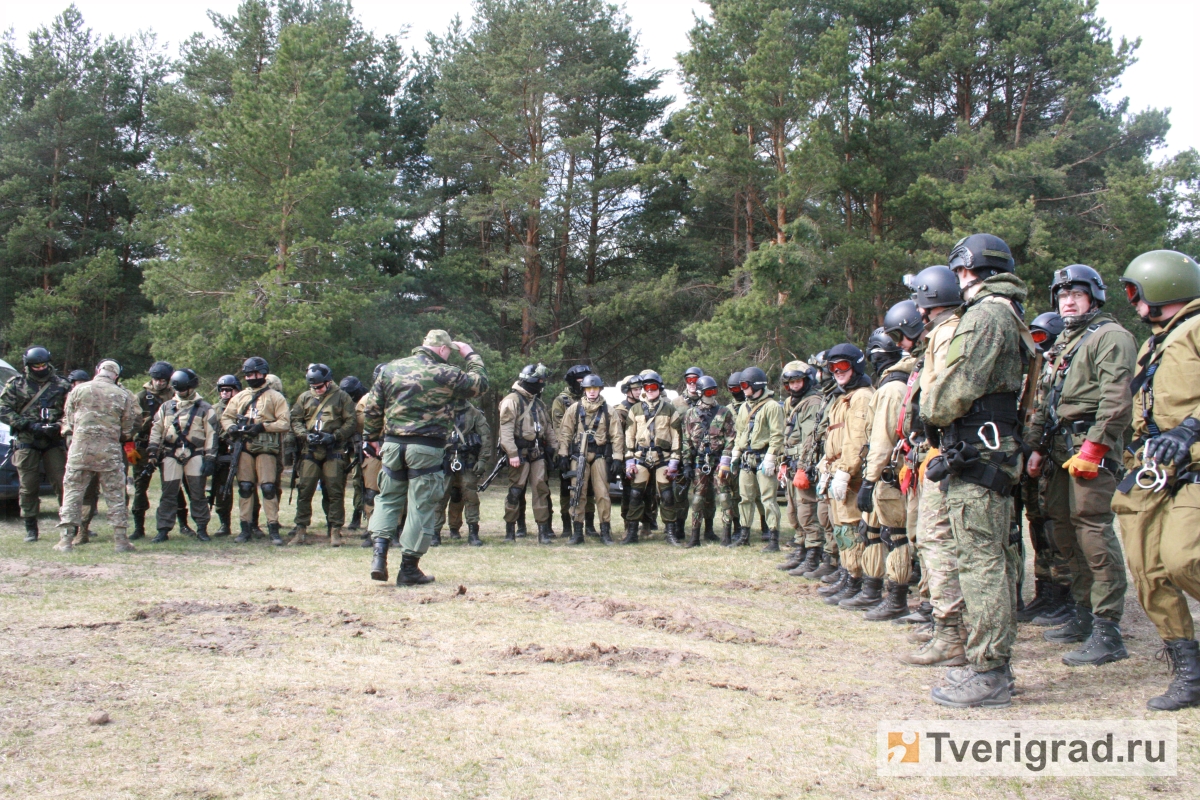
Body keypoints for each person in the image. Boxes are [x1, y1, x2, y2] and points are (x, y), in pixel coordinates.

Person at [921, 233, 1029, 709]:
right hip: (992, 450)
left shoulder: (985, 315)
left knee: (981, 563)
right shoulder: (1009, 313)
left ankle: (989, 672)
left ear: (970, 271)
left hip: (979, 453)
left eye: (960, 272)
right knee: (992, 560)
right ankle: (991, 664)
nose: (958, 282)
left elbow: (951, 392)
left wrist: (929, 409)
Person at [1025, 266, 1135, 666]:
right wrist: (1036, 446)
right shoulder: (1065, 344)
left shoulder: (1111, 337)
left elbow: (1117, 399)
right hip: (1058, 446)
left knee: (1093, 530)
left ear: (1094, 296)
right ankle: (1083, 614)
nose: (1068, 301)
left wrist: (1096, 446)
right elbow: (1045, 400)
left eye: (1076, 293)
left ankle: (1108, 630)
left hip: (1090, 445)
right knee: (1062, 528)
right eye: (1062, 295)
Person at [1114, 250, 1200, 710]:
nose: (1131, 300)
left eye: (1134, 291)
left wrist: (1190, 429)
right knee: (1147, 570)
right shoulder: (1154, 344)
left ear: (1161, 288)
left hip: (1194, 466)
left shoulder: (1198, 329)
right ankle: (1190, 672)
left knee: (1184, 559)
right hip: (1151, 469)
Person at [363, 330, 487, 585]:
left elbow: (373, 406)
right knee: (421, 506)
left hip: (393, 445)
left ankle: (379, 556)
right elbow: (480, 384)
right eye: (449, 351)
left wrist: (371, 437)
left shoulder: (391, 369)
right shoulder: (446, 373)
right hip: (426, 447)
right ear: (442, 349)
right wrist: (471, 356)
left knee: (387, 499)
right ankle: (408, 568)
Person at [898, 265, 968, 666]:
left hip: (948, 449)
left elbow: (941, 393)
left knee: (937, 541)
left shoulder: (946, 333)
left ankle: (951, 635)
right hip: (941, 449)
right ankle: (948, 629)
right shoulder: (946, 332)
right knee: (933, 541)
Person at [857, 322, 919, 620]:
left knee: (896, 535)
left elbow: (882, 439)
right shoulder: (899, 382)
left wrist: (868, 481)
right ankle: (881, 590)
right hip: (894, 471)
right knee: (887, 533)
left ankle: (897, 597)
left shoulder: (891, 388)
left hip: (891, 473)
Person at [1019, 312, 1074, 624]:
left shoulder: (1060, 368)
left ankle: (1065, 594)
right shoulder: (1038, 368)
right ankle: (1046, 591)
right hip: (1033, 451)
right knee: (1037, 523)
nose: (1037, 344)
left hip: (1053, 454)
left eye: (1041, 337)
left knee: (1056, 526)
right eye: (1033, 338)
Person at [54, 360, 138, 552]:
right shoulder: (123, 395)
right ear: (116, 376)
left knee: (73, 493)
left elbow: (68, 421)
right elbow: (127, 428)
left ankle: (66, 541)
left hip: (80, 450)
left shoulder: (77, 391)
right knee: (116, 495)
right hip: (109, 452)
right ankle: (120, 541)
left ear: (98, 371)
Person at [815, 345, 875, 606]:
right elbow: (835, 437)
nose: (837, 372)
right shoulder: (844, 397)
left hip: (850, 475)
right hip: (836, 468)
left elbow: (857, 439)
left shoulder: (861, 397)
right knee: (840, 527)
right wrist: (824, 465)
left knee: (850, 527)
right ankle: (847, 572)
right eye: (832, 368)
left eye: (843, 367)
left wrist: (846, 471)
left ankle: (856, 578)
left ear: (856, 366)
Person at [0, 346, 72, 542]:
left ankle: (68, 524)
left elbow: (72, 411)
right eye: (35, 366)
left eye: (43, 365)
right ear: (27, 365)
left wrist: (57, 426)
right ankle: (31, 527)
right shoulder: (16, 384)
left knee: (62, 482)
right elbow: (3, 409)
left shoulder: (62, 385)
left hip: (53, 440)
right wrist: (27, 425)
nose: (40, 369)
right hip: (27, 440)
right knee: (27, 486)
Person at [221, 356, 291, 545]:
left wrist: (262, 427)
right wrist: (231, 428)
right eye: (249, 374)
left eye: (256, 373)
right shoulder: (239, 397)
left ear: (264, 373)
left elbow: (284, 423)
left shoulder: (275, 397)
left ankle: (273, 528)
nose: (253, 377)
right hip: (244, 446)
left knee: (268, 488)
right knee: (245, 487)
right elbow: (226, 416)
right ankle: (245, 527)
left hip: (266, 447)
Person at [143, 369, 219, 542]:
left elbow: (212, 435)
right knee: (168, 493)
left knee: (197, 492)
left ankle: (201, 528)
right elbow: (156, 429)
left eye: (183, 389)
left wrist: (210, 458)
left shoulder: (205, 408)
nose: (180, 393)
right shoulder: (167, 407)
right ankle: (163, 529)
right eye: (178, 390)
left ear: (191, 387)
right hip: (171, 453)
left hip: (195, 453)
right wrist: (153, 451)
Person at [286, 364, 356, 546]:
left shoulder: (342, 397)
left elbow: (351, 422)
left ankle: (335, 530)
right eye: (313, 387)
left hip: (334, 450)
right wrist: (305, 435)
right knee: (305, 489)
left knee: (334, 491)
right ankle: (300, 530)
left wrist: (334, 436)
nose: (316, 390)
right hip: (310, 450)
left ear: (328, 381)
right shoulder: (304, 397)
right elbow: (295, 420)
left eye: (319, 387)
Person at [558, 374, 623, 545]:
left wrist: (617, 458)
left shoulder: (609, 411)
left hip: (600, 456)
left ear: (600, 389)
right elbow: (565, 433)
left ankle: (605, 531)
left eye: (595, 388)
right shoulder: (574, 409)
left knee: (602, 494)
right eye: (588, 389)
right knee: (577, 492)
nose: (592, 392)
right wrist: (563, 454)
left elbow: (617, 436)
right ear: (584, 390)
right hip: (578, 456)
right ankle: (577, 532)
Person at [130, 361, 192, 540]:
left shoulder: (176, 395)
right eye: (156, 379)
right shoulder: (140, 397)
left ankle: (183, 524)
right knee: (140, 486)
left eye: (163, 380)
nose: (159, 383)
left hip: (169, 446)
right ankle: (138, 527)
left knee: (174, 486)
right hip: (143, 446)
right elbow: (132, 422)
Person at [498, 363, 557, 543]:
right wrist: (512, 454)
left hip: (537, 452)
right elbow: (505, 431)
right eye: (539, 381)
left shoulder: (538, 403)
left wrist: (556, 450)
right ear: (530, 380)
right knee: (515, 491)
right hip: (520, 454)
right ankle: (510, 531)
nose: (541, 384)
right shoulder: (511, 400)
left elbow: (548, 429)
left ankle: (542, 531)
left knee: (541, 489)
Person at [729, 366, 784, 550]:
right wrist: (736, 452)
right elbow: (740, 432)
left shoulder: (772, 407)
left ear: (756, 384)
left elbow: (777, 435)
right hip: (747, 458)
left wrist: (771, 457)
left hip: (763, 458)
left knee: (768, 499)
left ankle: (773, 539)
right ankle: (744, 535)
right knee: (745, 498)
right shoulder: (745, 407)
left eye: (745, 385)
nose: (742, 389)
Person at [623, 371, 681, 544]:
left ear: (659, 388)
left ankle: (670, 532)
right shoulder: (635, 409)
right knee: (635, 494)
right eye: (646, 387)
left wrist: (675, 461)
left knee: (667, 495)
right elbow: (629, 436)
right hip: (641, 457)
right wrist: (629, 461)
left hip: (663, 458)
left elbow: (677, 436)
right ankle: (632, 532)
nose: (649, 390)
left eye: (653, 387)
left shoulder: (670, 409)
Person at [777, 361, 823, 569]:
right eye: (790, 382)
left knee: (807, 510)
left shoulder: (812, 403)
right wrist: (783, 463)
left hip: (804, 464)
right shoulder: (792, 403)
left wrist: (804, 467)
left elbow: (809, 438)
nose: (794, 386)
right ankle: (802, 546)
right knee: (793, 511)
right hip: (792, 462)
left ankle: (813, 552)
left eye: (798, 381)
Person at [681, 375, 735, 547]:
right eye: (708, 392)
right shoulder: (690, 414)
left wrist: (726, 460)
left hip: (719, 461)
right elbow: (686, 441)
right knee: (697, 499)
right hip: (699, 461)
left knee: (725, 497)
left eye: (714, 391)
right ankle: (695, 537)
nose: (712, 395)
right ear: (700, 393)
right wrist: (687, 463)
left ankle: (727, 536)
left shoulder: (724, 412)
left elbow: (731, 438)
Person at [435, 399, 491, 546]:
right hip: (445, 460)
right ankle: (435, 533)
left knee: (470, 496)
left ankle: (473, 532)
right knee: (440, 496)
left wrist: (483, 460)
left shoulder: (474, 413)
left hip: (468, 460)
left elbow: (485, 437)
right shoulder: (439, 411)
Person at [551, 365, 594, 537]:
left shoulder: (593, 398)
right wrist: (563, 453)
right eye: (580, 381)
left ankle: (589, 525)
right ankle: (567, 525)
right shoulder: (561, 401)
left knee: (588, 488)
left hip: (588, 451)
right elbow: (558, 429)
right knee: (566, 488)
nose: (584, 384)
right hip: (568, 451)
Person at [210, 375, 242, 537]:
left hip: (243, 451)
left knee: (247, 487)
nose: (225, 394)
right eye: (222, 390)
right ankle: (224, 523)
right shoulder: (214, 409)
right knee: (222, 488)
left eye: (229, 390)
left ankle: (252, 523)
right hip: (222, 453)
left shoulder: (244, 406)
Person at [339, 375, 369, 534]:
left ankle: (362, 514)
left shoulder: (367, 399)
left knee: (366, 483)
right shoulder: (342, 401)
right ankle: (356, 514)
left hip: (368, 446)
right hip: (350, 447)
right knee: (357, 481)